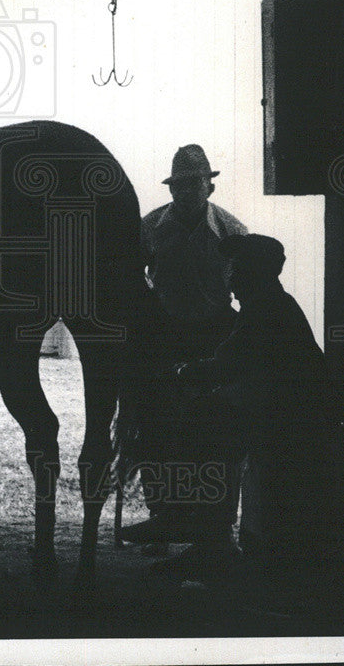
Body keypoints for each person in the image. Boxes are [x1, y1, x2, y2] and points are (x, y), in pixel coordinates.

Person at [152, 234, 341, 605]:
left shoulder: (265, 309)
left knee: (204, 437)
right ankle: (211, 541)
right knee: (212, 431)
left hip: (288, 426)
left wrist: (178, 374)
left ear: (256, 274)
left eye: (237, 271)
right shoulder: (273, 304)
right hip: (290, 419)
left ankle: (211, 544)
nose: (231, 280)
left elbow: (227, 365)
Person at [121, 144, 247, 548]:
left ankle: (214, 526)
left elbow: (248, 286)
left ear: (209, 187)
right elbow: (128, 279)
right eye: (179, 185)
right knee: (157, 427)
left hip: (215, 338)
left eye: (195, 184)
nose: (187, 192)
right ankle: (163, 516)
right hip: (164, 336)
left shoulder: (231, 231)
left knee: (216, 431)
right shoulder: (150, 228)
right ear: (171, 188)